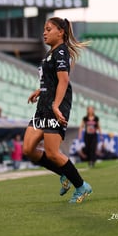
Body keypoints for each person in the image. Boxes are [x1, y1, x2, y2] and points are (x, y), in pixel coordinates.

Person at [22, 17, 92, 203]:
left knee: (52, 153)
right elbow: (52, 79)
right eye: (44, 29)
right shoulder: (51, 53)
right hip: (43, 106)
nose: (44, 32)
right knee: (29, 149)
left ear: (60, 32)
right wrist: (40, 90)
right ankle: (65, 174)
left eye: (49, 29)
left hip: (56, 107)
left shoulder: (61, 52)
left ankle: (81, 186)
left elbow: (64, 81)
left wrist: (55, 105)